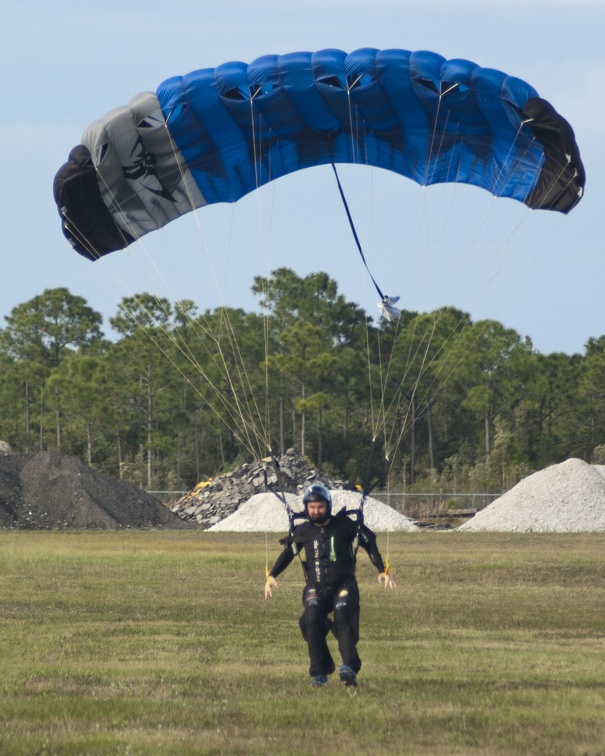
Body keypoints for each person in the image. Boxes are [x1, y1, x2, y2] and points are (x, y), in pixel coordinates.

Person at [264, 483, 395, 687]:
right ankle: (320, 671)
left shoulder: (344, 525)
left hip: (344, 585)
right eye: (312, 507)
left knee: (343, 616)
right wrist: (272, 574)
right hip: (316, 587)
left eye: (320, 507)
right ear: (307, 508)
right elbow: (289, 552)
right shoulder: (303, 530)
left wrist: (382, 569)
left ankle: (350, 667)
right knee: (312, 619)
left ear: (328, 506)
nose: (316, 511)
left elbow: (369, 542)